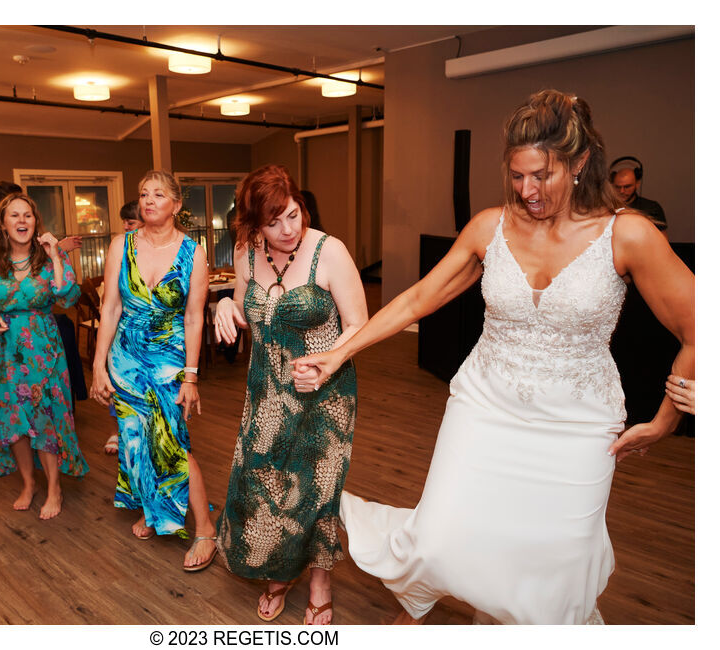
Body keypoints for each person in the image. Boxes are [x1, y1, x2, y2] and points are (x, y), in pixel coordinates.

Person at [296, 90, 694, 625]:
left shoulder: (628, 234)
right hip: (485, 405)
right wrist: (337, 354)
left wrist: (666, 421)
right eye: (517, 175)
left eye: (541, 176)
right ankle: (428, 608)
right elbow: (417, 299)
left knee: (554, 571)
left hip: (577, 426)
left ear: (578, 164)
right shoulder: (491, 227)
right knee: (440, 539)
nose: (527, 191)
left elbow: (698, 325)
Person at [213, 164, 368, 625]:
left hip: (326, 395)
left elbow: (360, 324)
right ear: (253, 224)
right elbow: (246, 303)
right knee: (265, 485)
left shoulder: (330, 252)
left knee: (317, 491)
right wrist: (225, 304)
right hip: (266, 393)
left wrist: (327, 363)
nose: (286, 230)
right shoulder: (245, 252)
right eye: (273, 221)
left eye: (293, 215)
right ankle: (279, 571)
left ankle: (320, 581)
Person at [90, 170, 217, 571]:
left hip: (169, 360)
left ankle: (205, 530)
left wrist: (192, 375)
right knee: (135, 439)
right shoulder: (120, 245)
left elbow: (195, 318)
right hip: (125, 358)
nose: (148, 201)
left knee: (173, 441)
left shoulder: (192, 252)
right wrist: (98, 363)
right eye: (143, 194)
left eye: (158, 194)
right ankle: (152, 507)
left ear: (176, 205)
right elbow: (109, 308)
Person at [0, 193, 88, 520]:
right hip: (3, 351)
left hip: (43, 350)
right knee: (15, 421)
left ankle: (54, 487)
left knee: (44, 418)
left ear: (36, 222)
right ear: (3, 223)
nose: (22, 221)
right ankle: (28, 483)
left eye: (28, 215)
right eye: (14, 216)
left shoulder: (49, 257)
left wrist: (56, 254)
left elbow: (69, 296)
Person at [103, 200, 143, 455]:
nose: (126, 227)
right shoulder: (119, 248)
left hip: (156, 342)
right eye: (125, 222)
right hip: (123, 334)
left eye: (131, 222)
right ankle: (120, 430)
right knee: (121, 393)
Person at [609, 157, 667, 231]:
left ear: (637, 184)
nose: (622, 191)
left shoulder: (652, 208)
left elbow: (662, 240)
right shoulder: (606, 207)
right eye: (617, 187)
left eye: (627, 187)